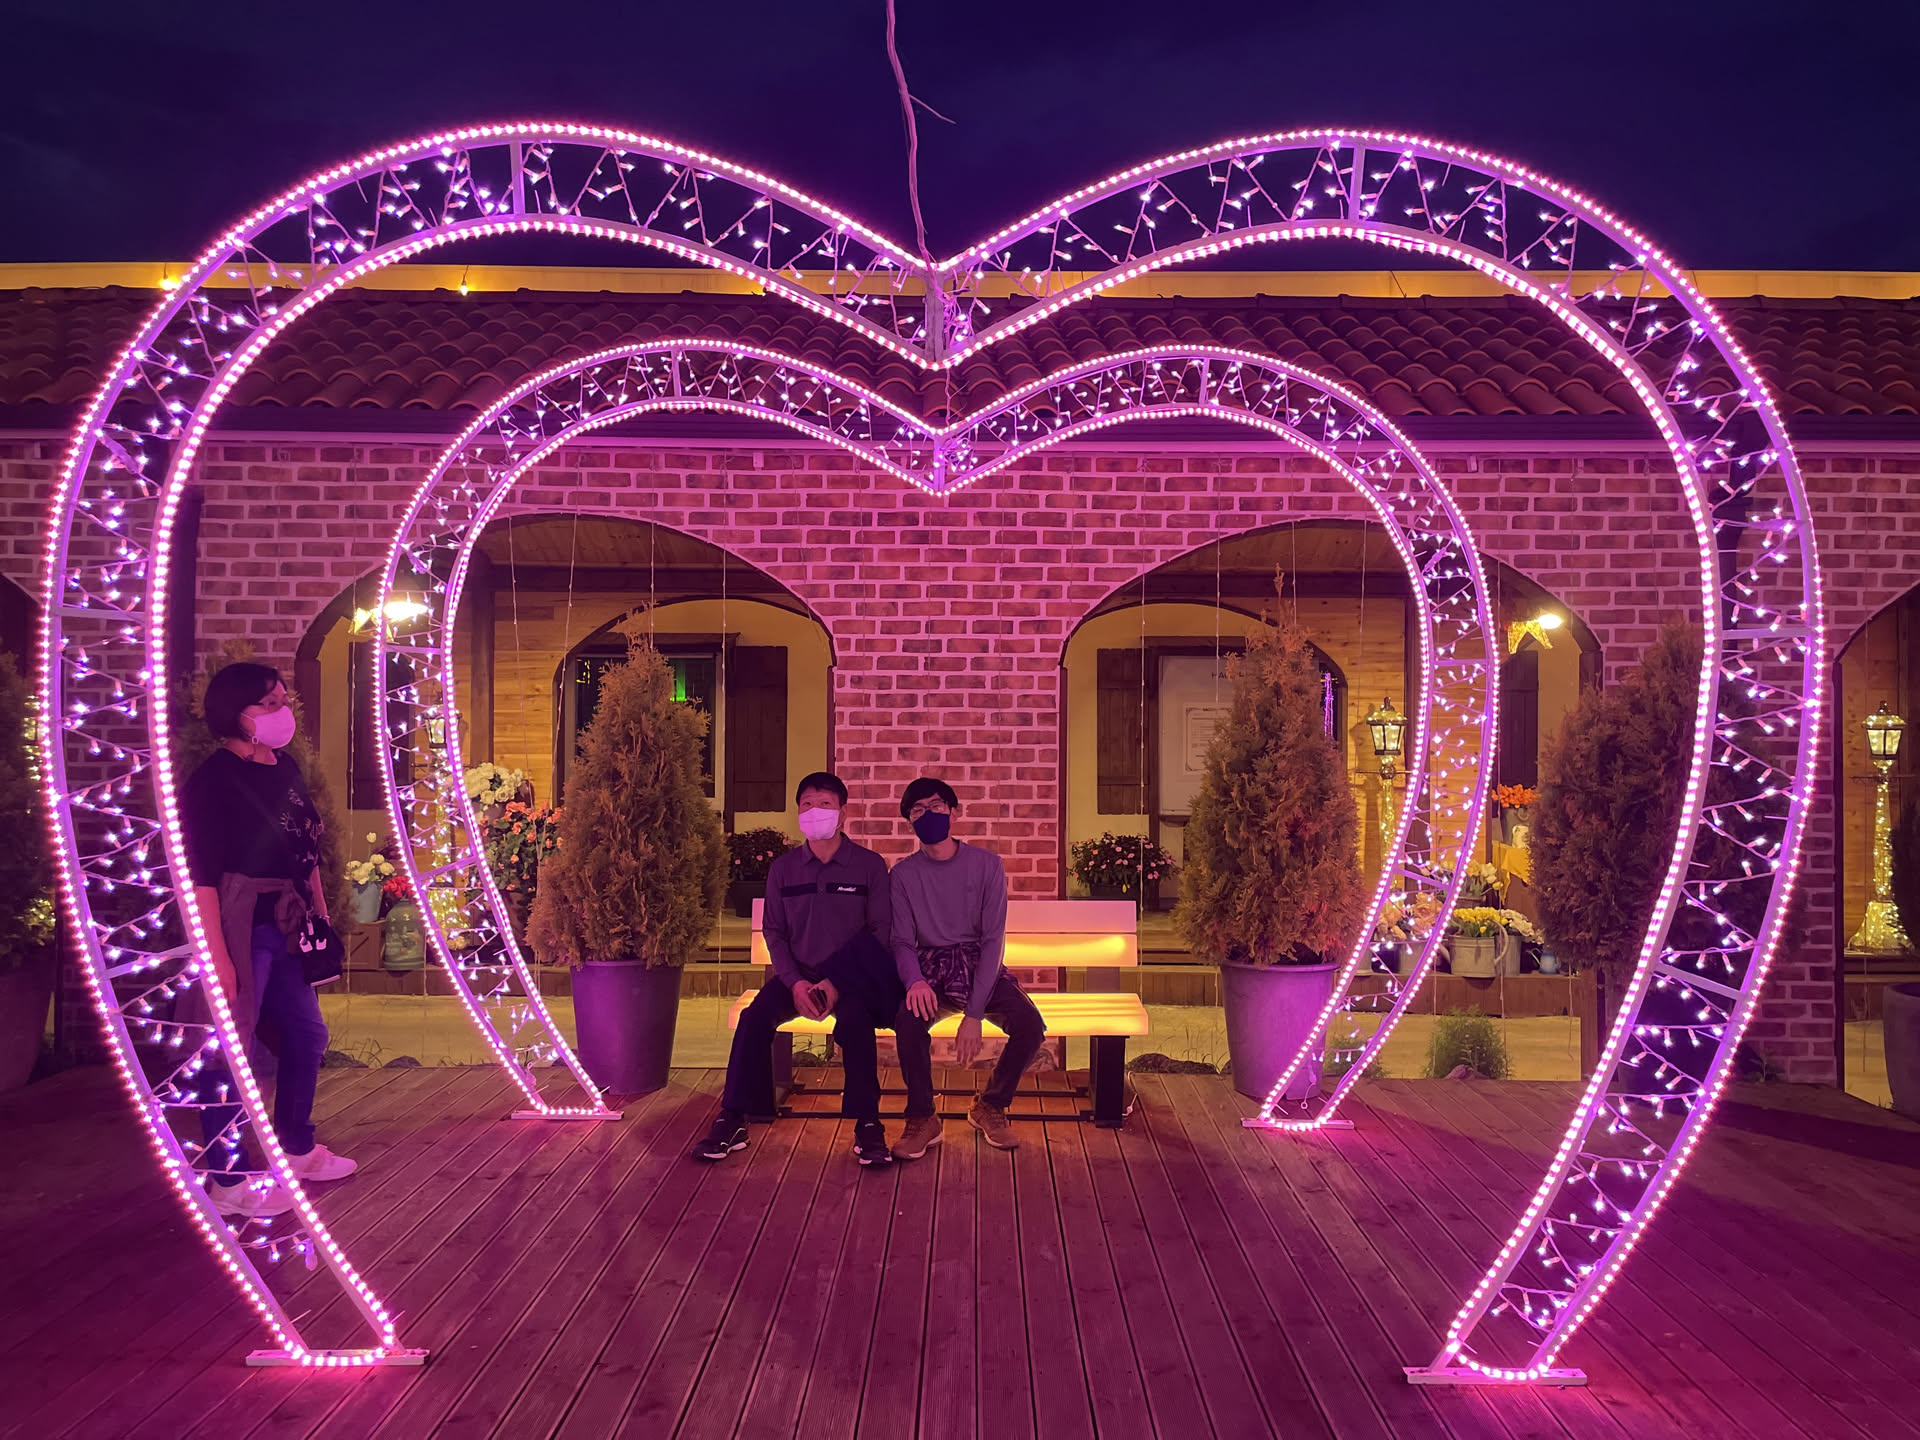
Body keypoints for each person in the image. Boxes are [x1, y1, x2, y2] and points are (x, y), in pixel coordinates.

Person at [181, 663, 357, 1219]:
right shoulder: (211, 781)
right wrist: (217, 955)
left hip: (287, 920)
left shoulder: (285, 767)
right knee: (230, 1048)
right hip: (240, 922)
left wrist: (319, 915)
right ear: (235, 712)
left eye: (284, 699)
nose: (283, 712)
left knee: (306, 1033)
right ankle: (228, 1179)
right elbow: (201, 876)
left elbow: (305, 850)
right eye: (269, 703)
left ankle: (296, 1149)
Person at [693, 772, 900, 1167]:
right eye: (807, 804)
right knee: (754, 1019)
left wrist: (836, 983)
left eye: (825, 804)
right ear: (798, 812)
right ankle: (733, 1118)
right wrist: (794, 982)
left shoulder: (869, 866)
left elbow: (880, 931)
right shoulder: (784, 869)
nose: (814, 811)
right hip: (798, 976)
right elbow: (773, 930)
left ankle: (868, 1124)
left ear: (842, 813)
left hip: (850, 979)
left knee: (856, 1024)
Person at [888, 777, 1046, 1156]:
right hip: (930, 967)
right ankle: (922, 1117)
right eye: (917, 811)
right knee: (908, 1022)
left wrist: (974, 1013)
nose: (927, 815)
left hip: (978, 966)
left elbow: (993, 940)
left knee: (1029, 1025)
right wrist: (914, 982)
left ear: (954, 813)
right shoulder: (903, 875)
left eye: (936, 806)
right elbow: (902, 941)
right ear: (909, 821)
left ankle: (990, 1105)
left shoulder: (987, 865)